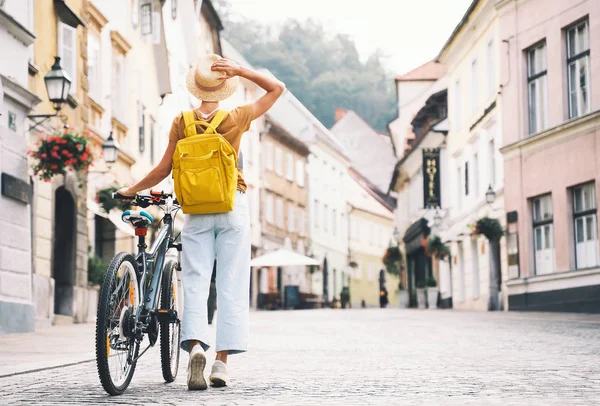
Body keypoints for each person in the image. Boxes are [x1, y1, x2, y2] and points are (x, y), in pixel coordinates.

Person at [116, 54, 285, 390]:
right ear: (225, 88)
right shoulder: (236, 116)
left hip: (195, 209)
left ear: (196, 88)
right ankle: (221, 363)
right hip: (231, 204)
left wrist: (131, 189)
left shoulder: (182, 121)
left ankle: (195, 347)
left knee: (194, 282)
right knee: (231, 283)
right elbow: (276, 89)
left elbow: (163, 169)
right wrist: (241, 70)